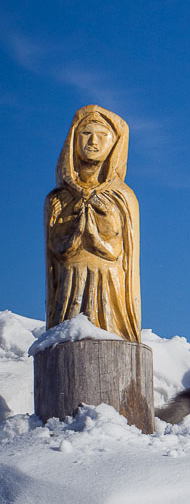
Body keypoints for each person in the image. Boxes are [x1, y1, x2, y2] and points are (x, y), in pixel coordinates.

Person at [44, 104, 141, 340]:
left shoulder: (122, 196)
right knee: (65, 337)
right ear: (73, 141)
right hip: (68, 284)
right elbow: (54, 254)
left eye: (102, 136)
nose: (93, 142)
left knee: (110, 339)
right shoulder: (58, 198)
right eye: (85, 134)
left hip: (110, 284)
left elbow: (124, 255)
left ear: (114, 144)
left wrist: (95, 236)